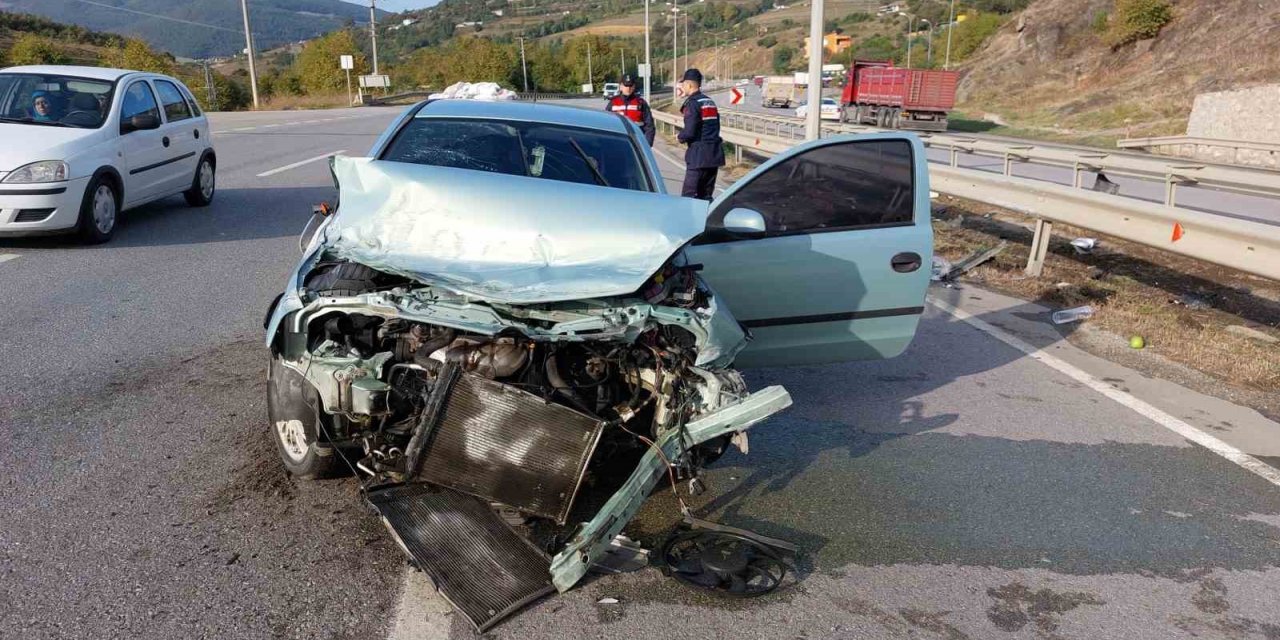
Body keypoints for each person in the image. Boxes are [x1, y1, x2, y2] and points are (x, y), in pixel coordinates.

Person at [676, 69, 724, 200]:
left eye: (683, 84)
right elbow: (716, 126)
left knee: (688, 197)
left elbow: (690, 130)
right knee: (706, 197)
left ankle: (688, 221)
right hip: (714, 155)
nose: (682, 87)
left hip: (698, 156)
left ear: (690, 85)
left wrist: (680, 137)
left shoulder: (692, 104)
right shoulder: (709, 102)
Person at [604, 75, 655, 146]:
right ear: (621, 86)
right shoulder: (613, 102)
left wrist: (647, 145)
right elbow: (605, 124)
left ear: (634, 87)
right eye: (626, 85)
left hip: (637, 143)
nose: (628, 88)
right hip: (617, 142)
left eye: (630, 86)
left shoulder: (640, 103)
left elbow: (649, 126)